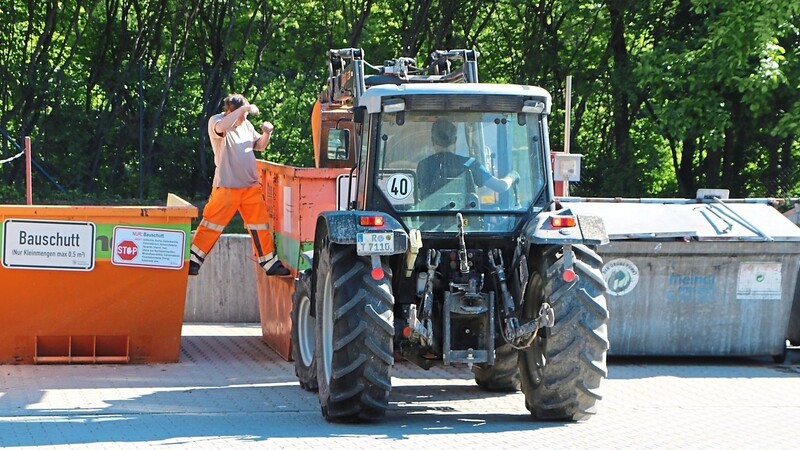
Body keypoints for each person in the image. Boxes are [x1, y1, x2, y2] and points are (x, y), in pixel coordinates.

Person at [189, 93, 289, 276]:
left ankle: (269, 262)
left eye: (246, 115)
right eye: (242, 114)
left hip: (250, 186)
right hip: (227, 186)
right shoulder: (217, 121)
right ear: (230, 111)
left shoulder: (246, 125)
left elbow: (259, 145)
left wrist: (267, 133)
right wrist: (242, 109)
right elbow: (221, 127)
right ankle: (193, 260)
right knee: (211, 223)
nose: (244, 118)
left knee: (260, 225)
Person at [416, 118, 518, 198]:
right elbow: (501, 186)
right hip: (466, 222)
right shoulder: (470, 164)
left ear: (432, 140)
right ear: (455, 140)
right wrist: (512, 176)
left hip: (429, 223)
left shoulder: (423, 166)